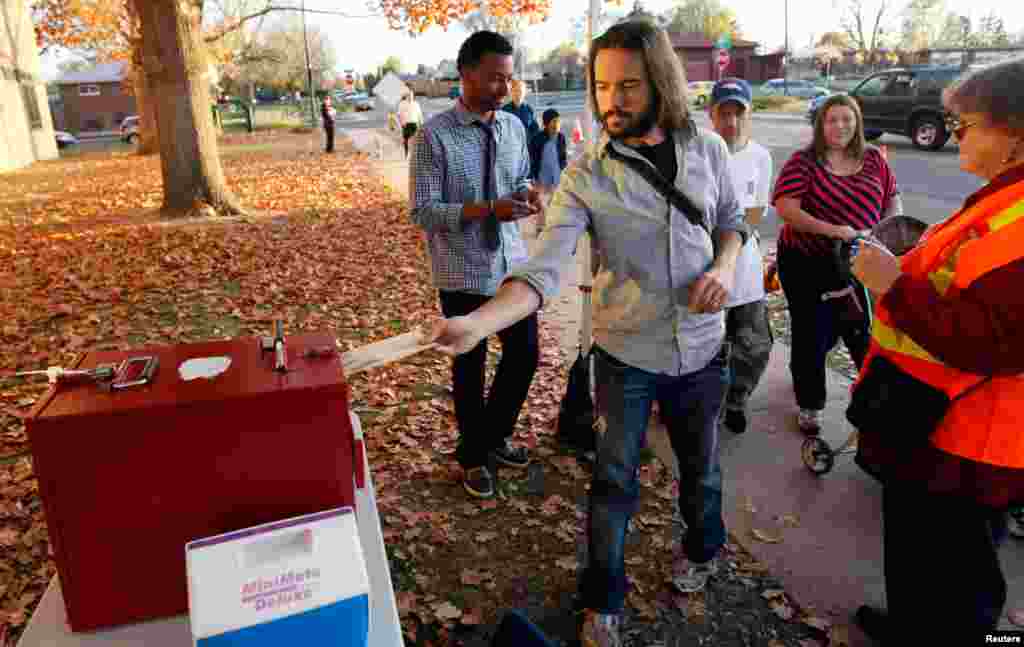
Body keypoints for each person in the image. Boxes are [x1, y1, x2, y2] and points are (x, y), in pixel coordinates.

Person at [428, 21, 747, 647]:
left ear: (660, 82)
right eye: (602, 86)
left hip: (705, 348)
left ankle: (702, 546)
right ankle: (603, 596)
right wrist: (477, 323)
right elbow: (542, 267)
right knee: (612, 481)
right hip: (625, 353)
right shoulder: (585, 175)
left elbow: (733, 223)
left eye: (628, 84)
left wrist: (724, 265)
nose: (612, 100)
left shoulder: (708, 150)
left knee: (701, 469)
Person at [849, 58, 1024, 645]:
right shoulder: (1001, 197)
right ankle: (910, 625)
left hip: (972, 435)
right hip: (932, 417)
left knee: (961, 575)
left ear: (1016, 133)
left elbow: (991, 340)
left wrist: (893, 284)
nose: (955, 135)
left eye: (968, 124)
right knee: (917, 545)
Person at [408, 31, 543, 500]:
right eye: (493, 79)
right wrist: (488, 209)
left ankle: (493, 436)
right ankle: (472, 456)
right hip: (462, 269)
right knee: (470, 365)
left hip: (510, 265)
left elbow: (520, 177)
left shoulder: (512, 127)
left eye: (508, 78)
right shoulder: (433, 135)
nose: (504, 89)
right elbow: (424, 212)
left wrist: (526, 194)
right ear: (465, 74)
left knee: (525, 355)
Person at [771, 94, 903, 435]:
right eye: (832, 120)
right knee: (811, 332)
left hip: (861, 259)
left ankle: (874, 408)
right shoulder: (804, 161)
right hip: (806, 260)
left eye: (847, 119)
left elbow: (892, 198)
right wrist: (835, 231)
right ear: (821, 124)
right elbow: (786, 208)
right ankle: (810, 405)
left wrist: (888, 230)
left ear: (857, 122)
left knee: (861, 331)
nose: (840, 126)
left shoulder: (873, 159)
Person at [707, 78, 774, 435]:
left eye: (738, 113)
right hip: (705, 265)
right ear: (711, 114)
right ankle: (704, 402)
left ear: (748, 115)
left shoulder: (760, 156)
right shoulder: (700, 152)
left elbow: (756, 209)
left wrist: (731, 248)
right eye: (724, 113)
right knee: (706, 344)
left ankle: (737, 399)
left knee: (752, 342)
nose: (731, 121)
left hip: (744, 267)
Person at [528, 108, 568, 235]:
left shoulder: (561, 138)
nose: (557, 124)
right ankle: (540, 227)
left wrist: (563, 171)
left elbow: (563, 157)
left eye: (558, 121)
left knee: (555, 203)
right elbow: (532, 159)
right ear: (546, 123)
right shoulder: (537, 139)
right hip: (541, 177)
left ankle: (551, 226)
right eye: (554, 121)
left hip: (556, 176)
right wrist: (532, 177)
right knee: (540, 204)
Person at [502, 79, 541, 145]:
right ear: (511, 92)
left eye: (520, 91)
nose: (518, 94)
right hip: (511, 148)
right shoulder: (504, 110)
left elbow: (535, 130)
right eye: (515, 91)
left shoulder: (529, 109)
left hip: (526, 148)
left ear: (524, 93)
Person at [398, 92, 424, 158]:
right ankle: (406, 154)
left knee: (416, 140)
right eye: (409, 95)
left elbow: (419, 114)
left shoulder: (416, 104)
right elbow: (399, 114)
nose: (410, 97)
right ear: (406, 96)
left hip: (414, 123)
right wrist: (401, 123)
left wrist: (421, 124)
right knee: (405, 140)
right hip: (406, 124)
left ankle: (416, 154)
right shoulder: (402, 104)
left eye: (411, 95)